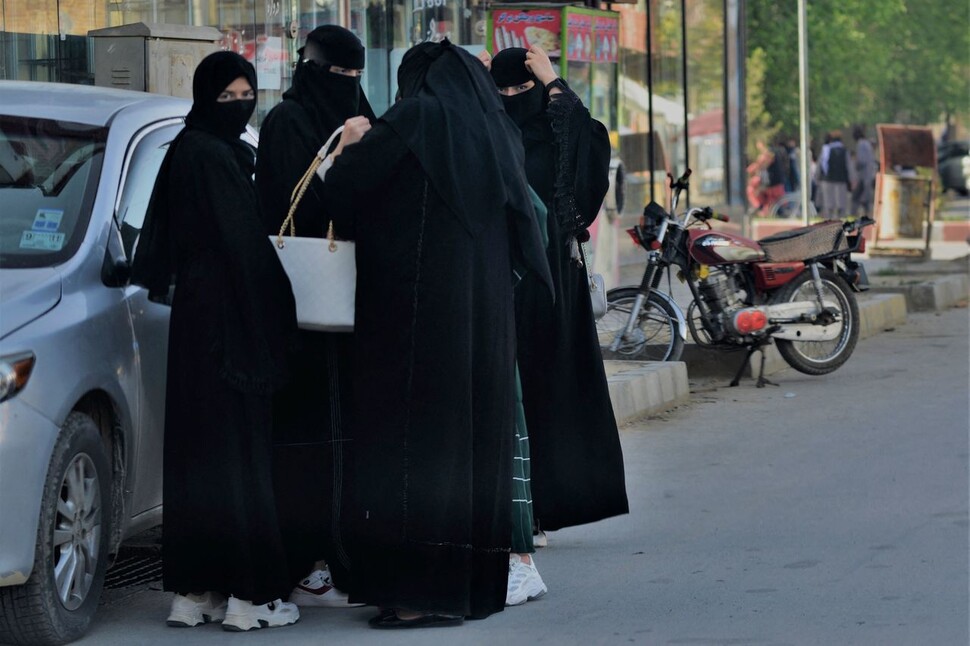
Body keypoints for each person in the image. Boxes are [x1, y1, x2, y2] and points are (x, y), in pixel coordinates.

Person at [315, 40, 552, 627]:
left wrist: (346, 150)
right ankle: (465, 590)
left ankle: (418, 595)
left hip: (415, 324)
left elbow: (346, 194)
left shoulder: (416, 120)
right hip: (485, 324)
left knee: (411, 458)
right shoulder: (495, 130)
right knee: (470, 454)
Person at [131, 51, 300, 632]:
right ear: (207, 99)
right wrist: (283, 313)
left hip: (193, 324)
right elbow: (245, 250)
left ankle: (194, 592)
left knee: (195, 457)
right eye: (226, 98)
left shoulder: (186, 149)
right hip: (233, 326)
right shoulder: (217, 159)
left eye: (244, 95)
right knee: (239, 458)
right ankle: (250, 598)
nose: (238, 105)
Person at [488, 46, 629, 569]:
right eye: (499, 92)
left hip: (551, 281)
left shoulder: (557, 130)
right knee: (510, 394)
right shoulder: (488, 128)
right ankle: (518, 509)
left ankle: (546, 507)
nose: (508, 99)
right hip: (502, 279)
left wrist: (552, 82)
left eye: (518, 90)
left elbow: (588, 147)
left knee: (550, 391)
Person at [255, 24, 374, 609]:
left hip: (349, 304)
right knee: (307, 431)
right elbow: (290, 204)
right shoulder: (287, 123)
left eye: (358, 79)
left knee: (347, 429)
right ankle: (307, 559)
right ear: (314, 73)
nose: (351, 88)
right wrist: (345, 154)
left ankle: (343, 554)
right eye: (341, 77)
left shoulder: (358, 113)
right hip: (298, 305)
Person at [818, 130, 852, 219]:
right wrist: (851, 179)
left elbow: (821, 164)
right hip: (841, 180)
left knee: (828, 203)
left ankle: (829, 220)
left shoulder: (826, 149)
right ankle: (840, 220)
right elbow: (849, 166)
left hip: (827, 179)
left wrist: (818, 178)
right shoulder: (844, 150)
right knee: (841, 202)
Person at [852, 125, 876, 217]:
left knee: (856, 197)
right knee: (864, 197)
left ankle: (854, 214)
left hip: (863, 175)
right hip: (868, 175)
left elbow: (861, 160)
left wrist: (855, 164)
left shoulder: (861, 144)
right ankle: (867, 214)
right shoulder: (867, 143)